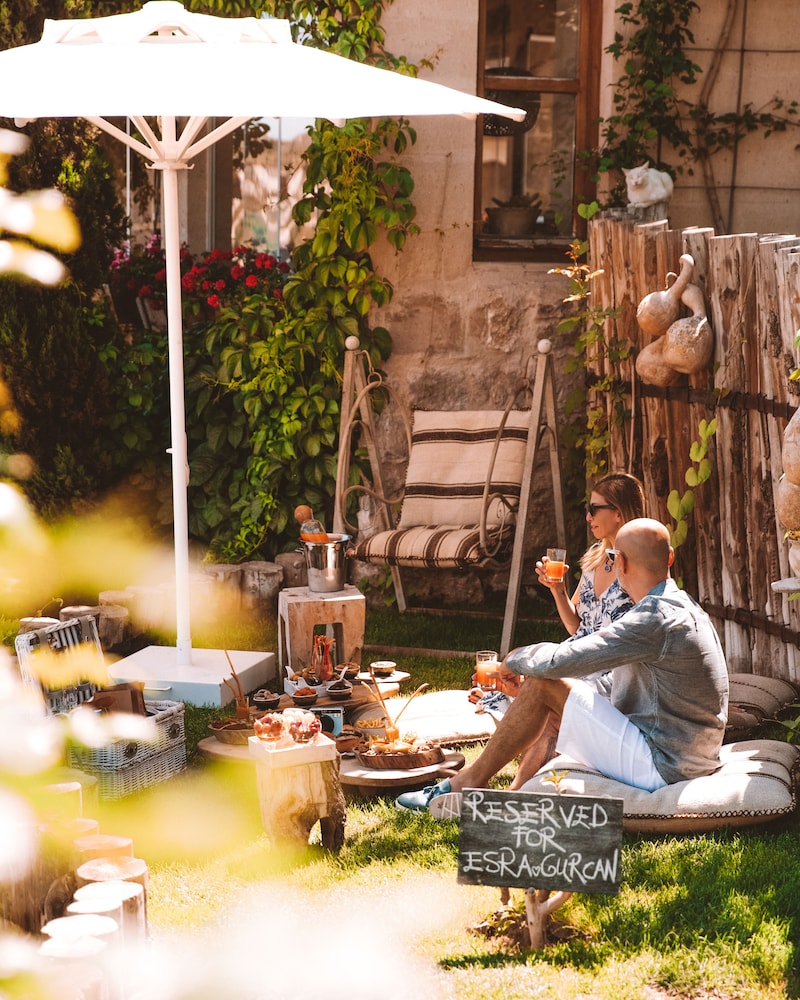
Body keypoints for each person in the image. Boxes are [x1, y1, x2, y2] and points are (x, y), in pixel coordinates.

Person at [397, 518, 729, 817]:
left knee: (545, 684)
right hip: (691, 755)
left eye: (612, 558)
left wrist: (514, 658)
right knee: (550, 689)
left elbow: (564, 660)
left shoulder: (652, 619)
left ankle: (464, 786)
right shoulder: (681, 605)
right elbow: (609, 682)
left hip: (667, 764)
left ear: (621, 562)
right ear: (669, 557)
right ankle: (513, 793)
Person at [469, 472, 646, 787]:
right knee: (534, 681)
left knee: (545, 698)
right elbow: (578, 625)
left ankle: (513, 791)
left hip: (609, 668)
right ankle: (509, 761)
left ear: (619, 513)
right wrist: (557, 589)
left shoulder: (638, 564)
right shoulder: (596, 557)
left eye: (595, 509)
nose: (588, 515)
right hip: (578, 655)